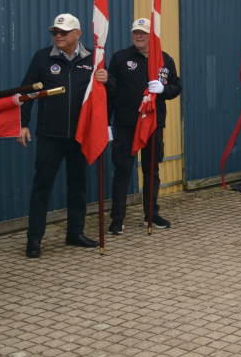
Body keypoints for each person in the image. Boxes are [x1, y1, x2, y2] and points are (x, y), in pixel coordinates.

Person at [20, 14, 103, 258]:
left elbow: (105, 94)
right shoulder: (42, 57)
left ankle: (75, 233)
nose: (58, 36)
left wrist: (108, 81)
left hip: (79, 135)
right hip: (50, 135)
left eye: (63, 32)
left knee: (78, 186)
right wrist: (22, 124)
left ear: (77, 34)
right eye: (55, 32)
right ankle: (34, 238)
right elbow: (26, 92)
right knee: (42, 186)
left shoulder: (93, 59)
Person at [106, 17, 182, 234]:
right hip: (126, 124)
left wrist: (164, 90)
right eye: (135, 32)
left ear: (152, 35)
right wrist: (106, 123)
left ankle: (151, 214)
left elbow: (176, 87)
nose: (138, 36)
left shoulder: (165, 60)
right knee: (123, 170)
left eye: (143, 33)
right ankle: (117, 218)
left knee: (151, 170)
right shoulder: (120, 58)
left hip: (153, 124)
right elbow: (110, 92)